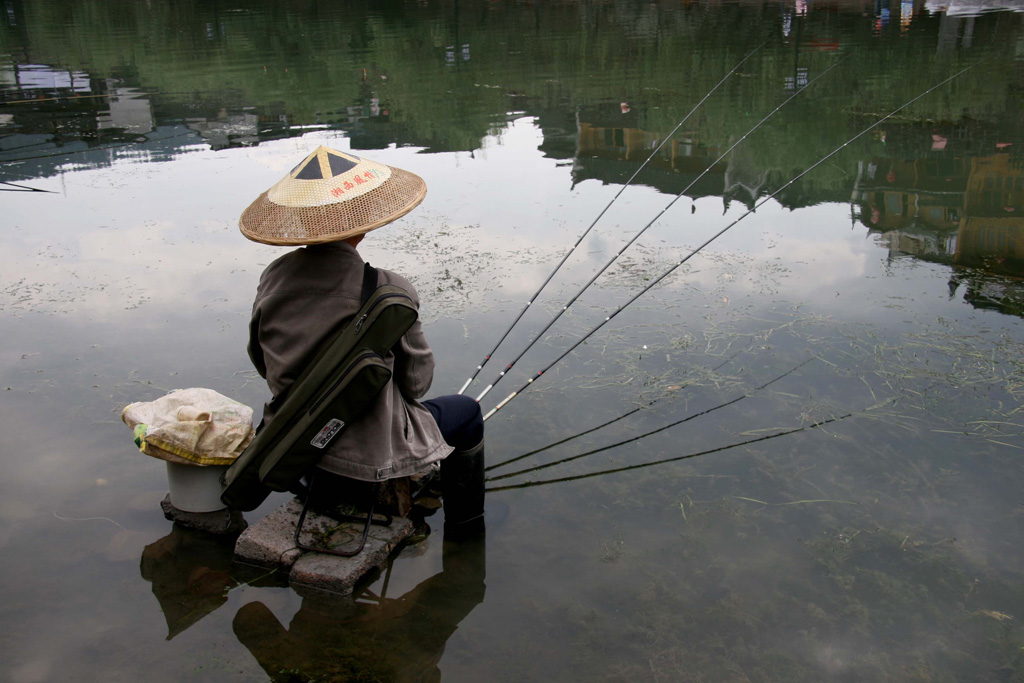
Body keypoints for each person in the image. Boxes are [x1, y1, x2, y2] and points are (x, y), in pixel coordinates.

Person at [239, 145, 484, 536]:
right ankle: (466, 530)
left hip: (296, 447)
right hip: (367, 453)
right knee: (466, 413)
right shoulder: (387, 289)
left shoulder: (274, 278)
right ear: (363, 220)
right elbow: (418, 384)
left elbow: (260, 359)